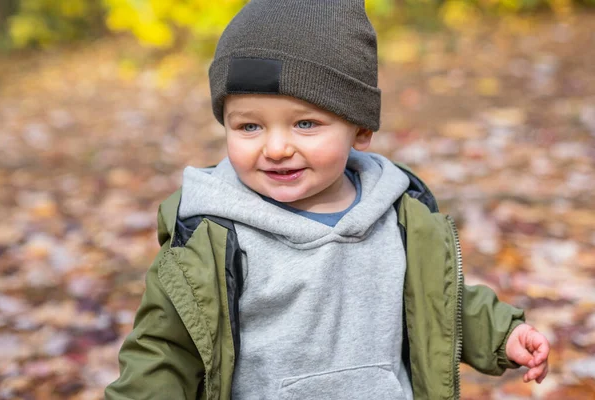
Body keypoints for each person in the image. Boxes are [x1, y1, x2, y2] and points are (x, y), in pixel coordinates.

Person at [105, 1, 549, 399]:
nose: (276, 148)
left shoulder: (398, 215)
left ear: (360, 129)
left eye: (305, 124)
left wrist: (501, 335)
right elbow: (163, 349)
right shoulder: (210, 237)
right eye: (249, 127)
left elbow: (437, 300)